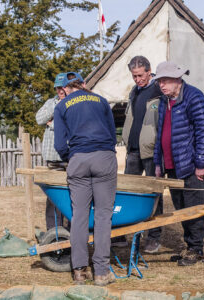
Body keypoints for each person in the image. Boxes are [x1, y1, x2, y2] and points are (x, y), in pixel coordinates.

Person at [153, 61, 204, 266]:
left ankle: (196, 250)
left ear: (178, 79)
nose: (161, 85)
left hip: (190, 164)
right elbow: (160, 134)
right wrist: (158, 162)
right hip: (172, 164)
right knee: (181, 208)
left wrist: (201, 163)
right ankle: (189, 247)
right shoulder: (165, 101)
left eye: (165, 80)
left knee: (194, 207)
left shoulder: (194, 96)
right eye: (159, 81)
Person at [54, 72, 118, 286]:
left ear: (66, 88)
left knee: (79, 216)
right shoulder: (100, 100)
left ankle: (80, 271)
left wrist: (70, 157)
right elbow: (112, 133)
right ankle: (101, 272)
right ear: (84, 84)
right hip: (104, 158)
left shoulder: (62, 106)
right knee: (102, 217)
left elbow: (60, 145)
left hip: (78, 159)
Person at [120, 55, 163, 253]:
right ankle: (124, 232)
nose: (137, 79)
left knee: (154, 195)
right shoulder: (134, 91)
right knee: (128, 192)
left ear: (149, 71)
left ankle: (153, 237)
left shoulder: (158, 89)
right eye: (134, 76)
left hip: (153, 151)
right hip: (134, 150)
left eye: (140, 75)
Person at [36, 73, 67, 231]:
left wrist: (53, 124)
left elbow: (68, 125)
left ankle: (68, 231)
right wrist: (55, 110)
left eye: (63, 87)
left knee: (68, 197)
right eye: (58, 88)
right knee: (53, 198)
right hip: (52, 160)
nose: (61, 90)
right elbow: (39, 119)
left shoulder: (72, 102)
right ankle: (53, 231)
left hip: (67, 159)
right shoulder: (51, 102)